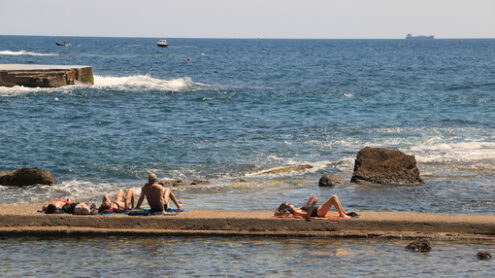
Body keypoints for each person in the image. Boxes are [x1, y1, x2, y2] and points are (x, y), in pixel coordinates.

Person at [275, 195, 358, 218]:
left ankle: (343, 213)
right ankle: (342, 215)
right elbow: (307, 215)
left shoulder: (297, 209)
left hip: (318, 209)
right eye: (289, 204)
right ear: (289, 208)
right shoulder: (296, 212)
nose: (291, 204)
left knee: (334, 197)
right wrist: (313, 204)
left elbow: (306, 207)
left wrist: (309, 201)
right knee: (333, 197)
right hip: (318, 212)